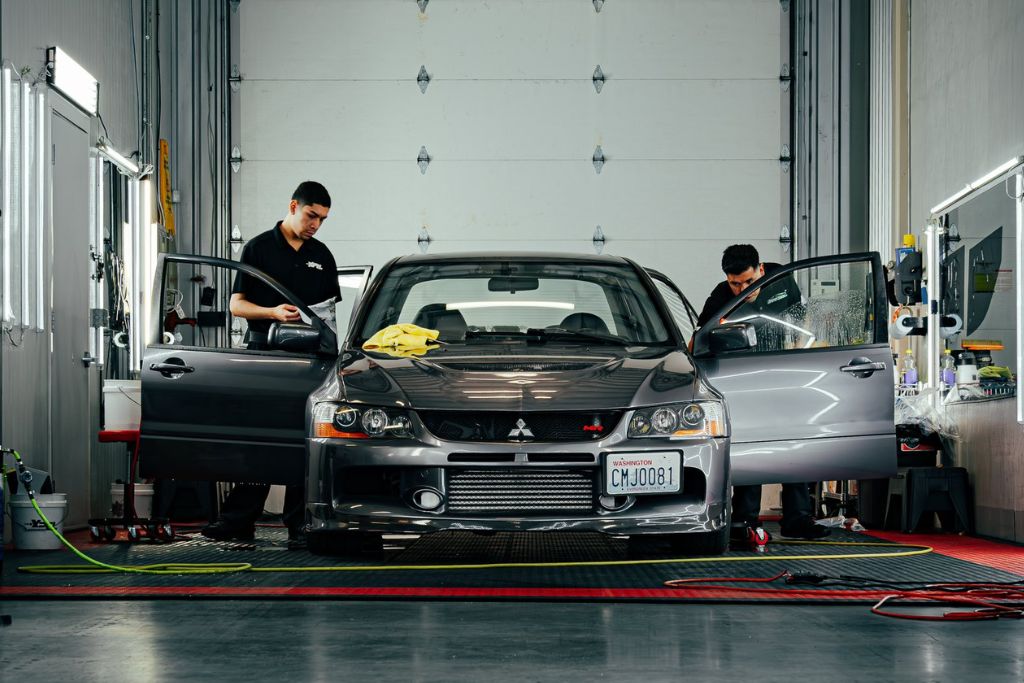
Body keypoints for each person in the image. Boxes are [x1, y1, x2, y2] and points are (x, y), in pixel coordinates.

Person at [201, 181, 341, 548]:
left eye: (323, 220)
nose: (316, 225)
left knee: (303, 442)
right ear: (293, 205)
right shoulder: (259, 248)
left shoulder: (322, 256)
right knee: (259, 438)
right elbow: (236, 305)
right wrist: (272, 313)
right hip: (263, 354)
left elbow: (329, 314)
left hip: (308, 359)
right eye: (312, 215)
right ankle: (237, 521)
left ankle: (300, 526)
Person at [696, 244, 829, 541]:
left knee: (794, 446)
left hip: (784, 375)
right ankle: (744, 521)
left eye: (748, 281)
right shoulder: (719, 296)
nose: (743, 289)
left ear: (761, 270)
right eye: (735, 283)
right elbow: (700, 338)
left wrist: (800, 354)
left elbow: (802, 319)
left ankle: (798, 520)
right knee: (750, 450)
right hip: (746, 381)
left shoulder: (782, 280)